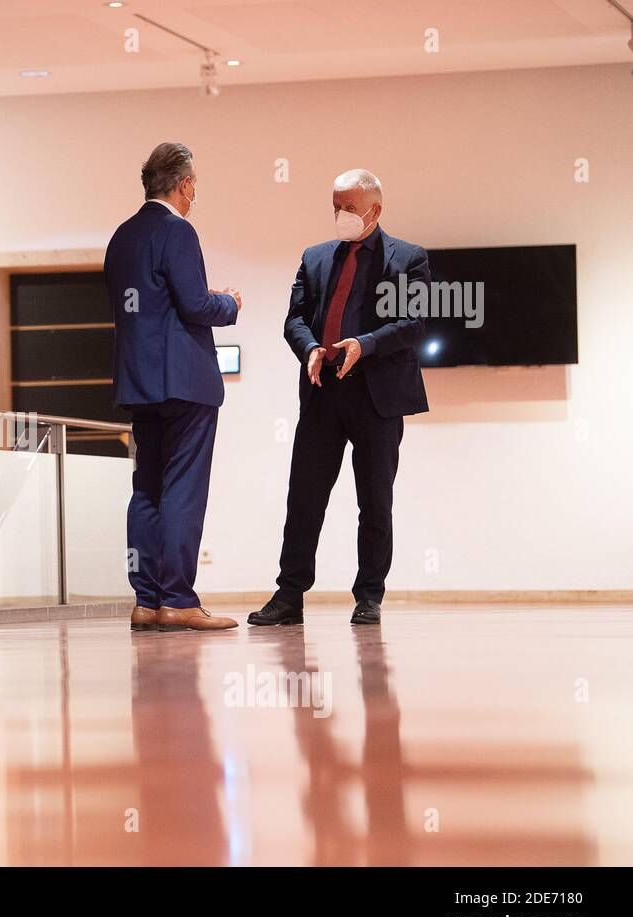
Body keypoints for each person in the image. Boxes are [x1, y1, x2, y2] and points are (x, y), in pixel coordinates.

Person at [248, 169, 429, 627]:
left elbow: (412, 324)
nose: (341, 215)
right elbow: (294, 319)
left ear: (375, 210)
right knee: (304, 498)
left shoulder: (408, 258)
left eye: (349, 207)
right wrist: (309, 348)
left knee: (375, 501)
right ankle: (289, 595)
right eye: (335, 207)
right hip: (323, 393)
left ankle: (369, 596)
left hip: (377, 396)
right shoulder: (315, 258)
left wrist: (363, 344)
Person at [104, 143, 241, 632]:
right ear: (184, 185)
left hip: (139, 383)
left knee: (146, 491)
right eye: (194, 186)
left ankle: (146, 600)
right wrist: (229, 302)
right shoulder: (178, 231)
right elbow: (196, 306)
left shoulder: (121, 237)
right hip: (185, 384)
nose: (194, 194)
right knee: (183, 491)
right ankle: (179, 600)